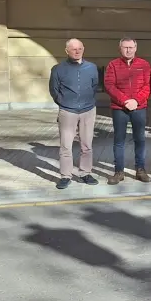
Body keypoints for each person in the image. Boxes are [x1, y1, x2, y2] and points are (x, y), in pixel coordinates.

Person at [49, 38, 100, 190]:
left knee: (87, 145)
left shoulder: (92, 67)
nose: (77, 52)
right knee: (66, 145)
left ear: (83, 49)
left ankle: (85, 173)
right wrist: (63, 102)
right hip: (67, 111)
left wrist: (88, 102)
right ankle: (65, 176)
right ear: (67, 51)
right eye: (73, 49)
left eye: (80, 49)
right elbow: (54, 89)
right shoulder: (58, 69)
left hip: (88, 110)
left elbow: (95, 86)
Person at [103, 37, 151, 184]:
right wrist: (125, 101)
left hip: (139, 107)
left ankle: (140, 170)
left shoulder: (144, 64)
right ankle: (119, 171)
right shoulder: (113, 65)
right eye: (125, 47)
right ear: (120, 49)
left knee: (140, 139)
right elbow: (109, 85)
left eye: (131, 47)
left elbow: (148, 86)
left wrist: (136, 101)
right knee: (119, 140)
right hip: (120, 108)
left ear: (135, 48)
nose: (128, 50)